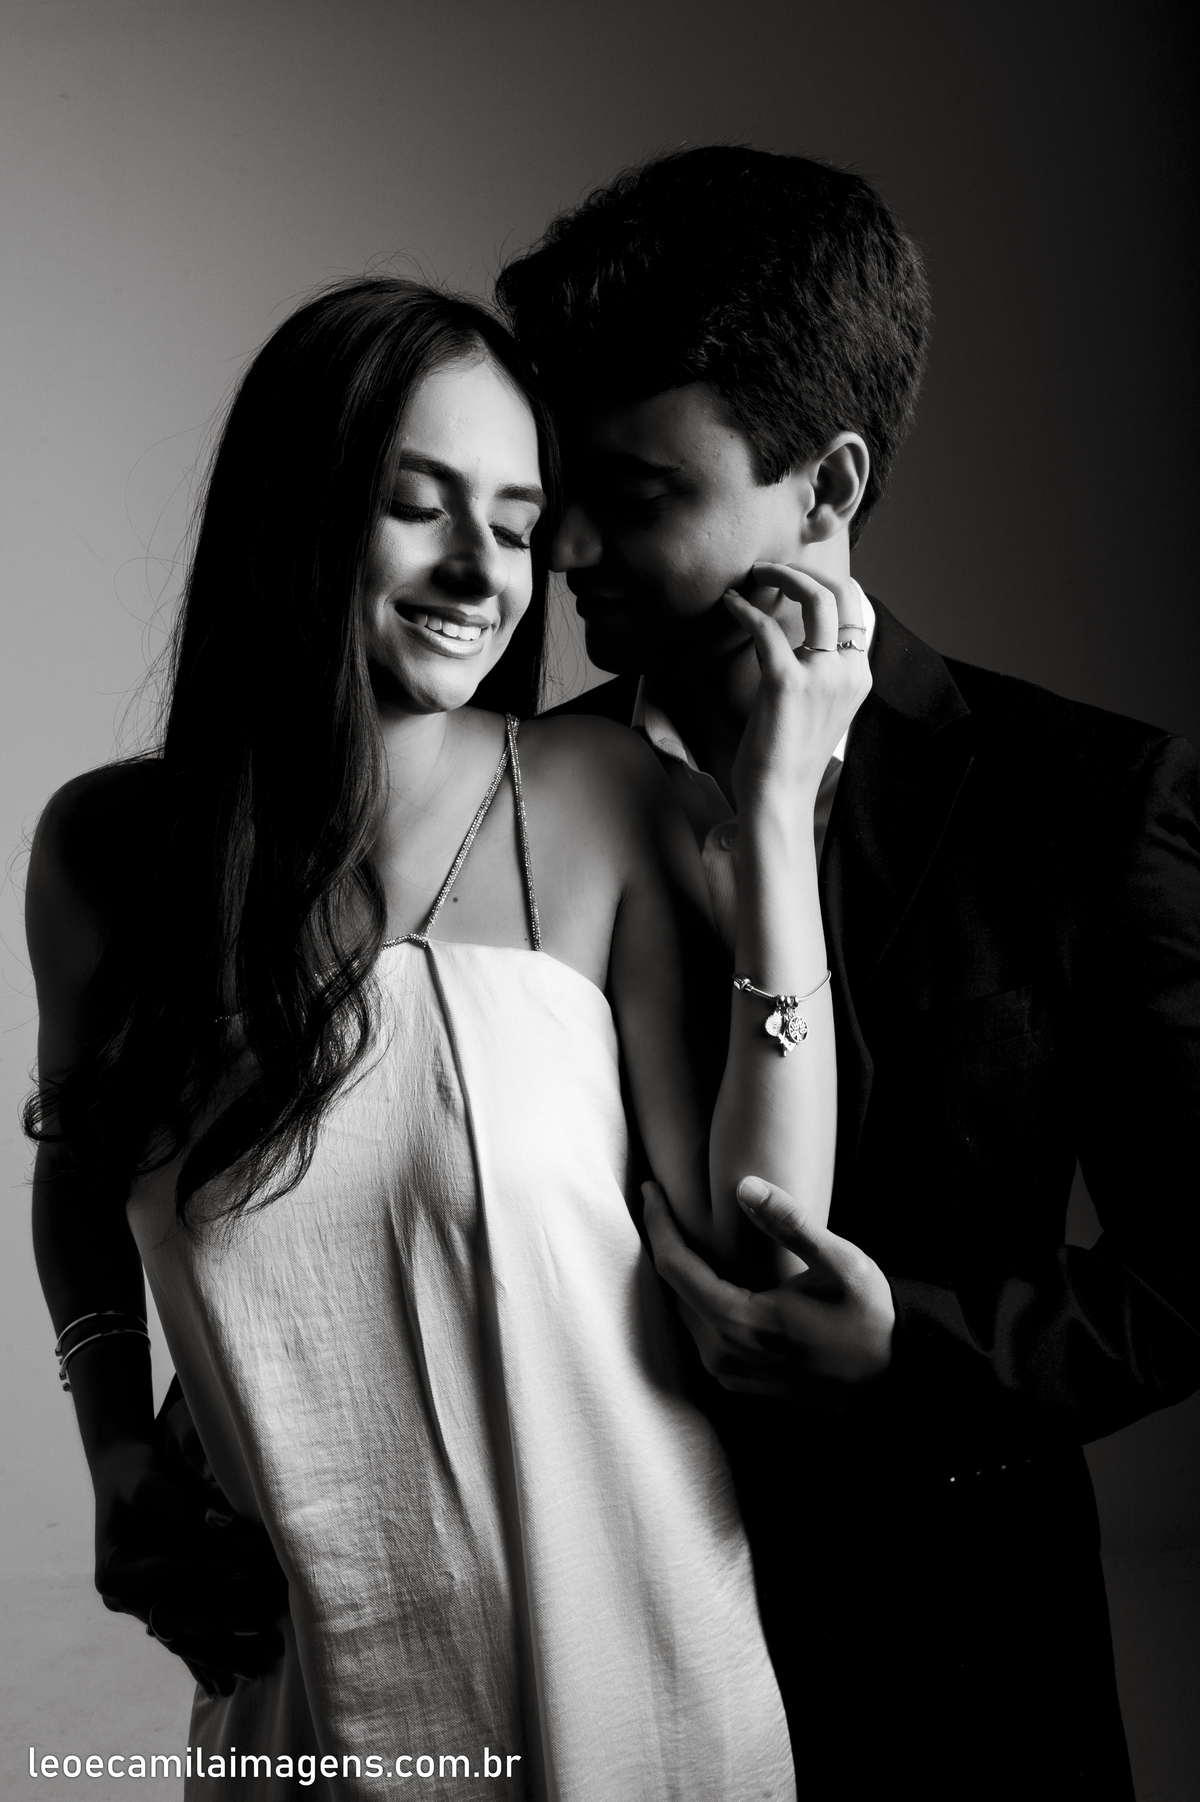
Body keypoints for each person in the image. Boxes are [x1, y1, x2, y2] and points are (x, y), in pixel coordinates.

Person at [25, 278, 871, 1801]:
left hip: (639, 1687)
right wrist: (113, 1448)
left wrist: (773, 835)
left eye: (517, 521)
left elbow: (759, 1232)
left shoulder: (600, 801)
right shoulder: (108, 854)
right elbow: (80, 1166)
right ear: (298, 515)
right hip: (310, 1694)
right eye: (420, 508)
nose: (485, 569)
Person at [495, 146, 1200, 1801]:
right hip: (590, 1644)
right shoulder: (509, 797)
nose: (563, 542)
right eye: (555, 477)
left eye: (637, 492)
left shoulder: (1089, 798)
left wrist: (908, 1361)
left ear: (826, 489)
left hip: (967, 1670)